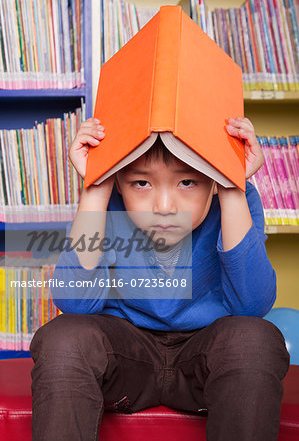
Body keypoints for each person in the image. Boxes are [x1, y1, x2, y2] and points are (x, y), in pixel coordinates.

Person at [30, 116, 290, 441]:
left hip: (206, 358)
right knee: (64, 339)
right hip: (125, 356)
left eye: (187, 183)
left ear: (212, 181)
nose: (164, 206)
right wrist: (95, 190)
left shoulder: (235, 198)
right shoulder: (106, 202)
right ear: (120, 182)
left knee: (255, 338)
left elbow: (252, 304)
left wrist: (232, 189)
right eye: (141, 184)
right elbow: (73, 302)